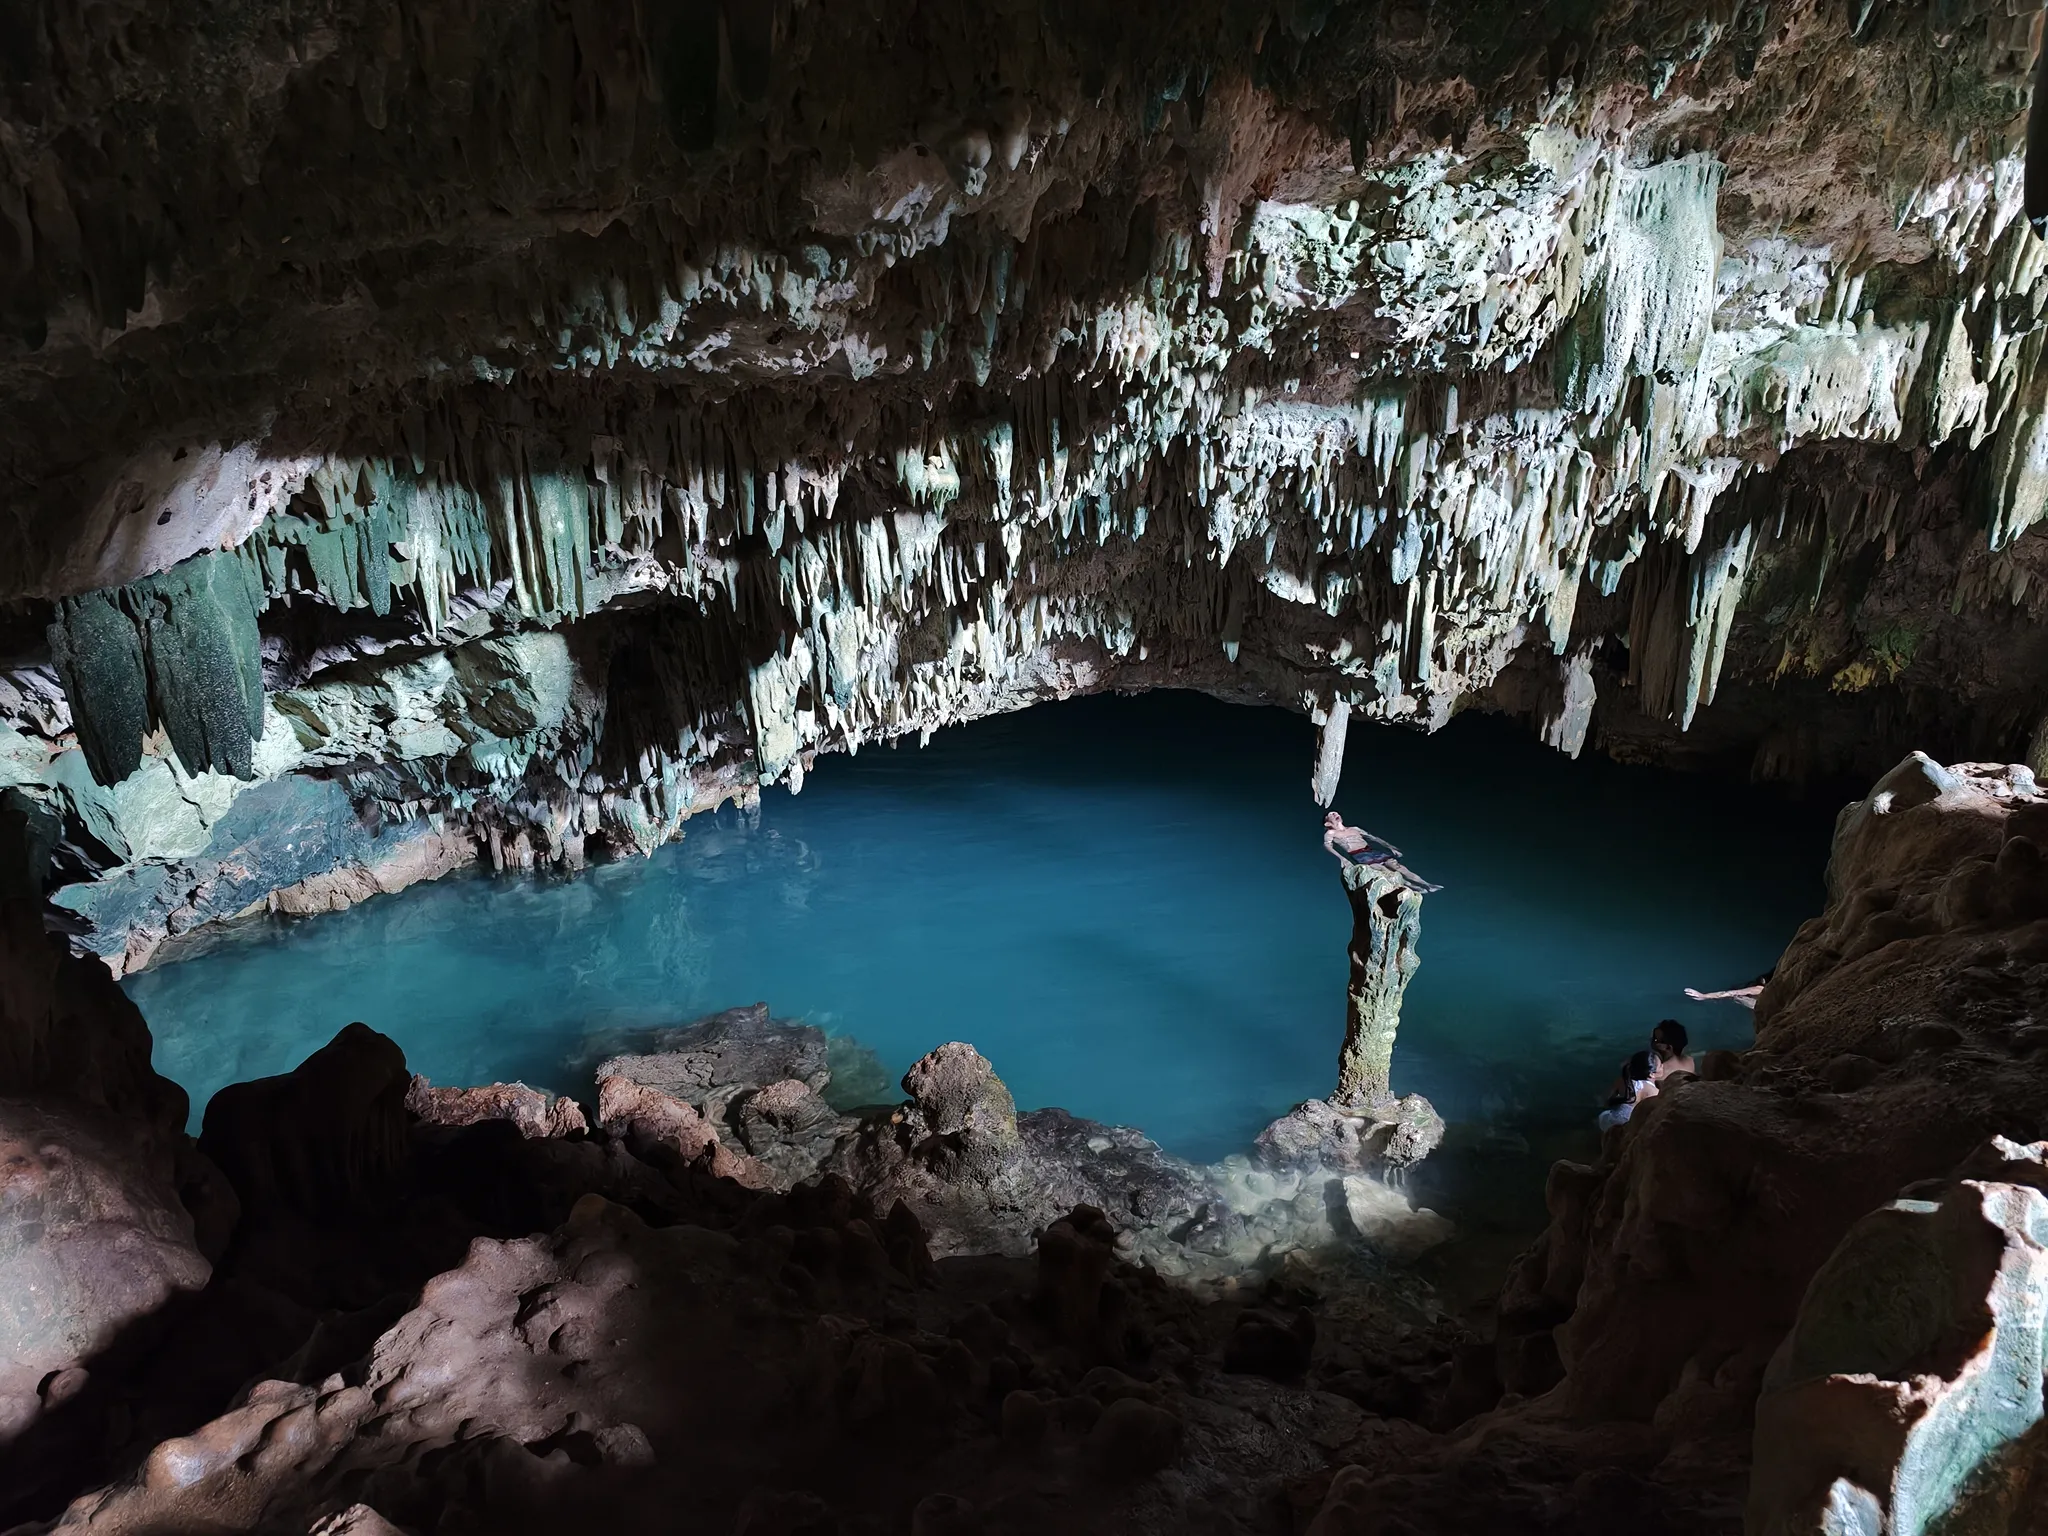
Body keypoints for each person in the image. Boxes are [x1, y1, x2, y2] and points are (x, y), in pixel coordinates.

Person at [1321, 812, 1445, 893]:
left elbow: (1373, 838)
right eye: (1331, 814)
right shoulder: (1331, 833)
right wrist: (1342, 859)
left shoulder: (1355, 829)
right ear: (1327, 823)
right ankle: (1411, 887)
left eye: (1335, 813)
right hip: (1359, 855)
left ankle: (1427, 885)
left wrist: (1390, 847)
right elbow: (1328, 846)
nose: (1334, 813)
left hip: (1371, 851)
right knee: (1387, 873)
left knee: (1400, 868)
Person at [1598, 1050, 1660, 1132]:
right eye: (1661, 1066)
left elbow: (1606, 1099)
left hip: (1612, 1123)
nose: (1663, 1066)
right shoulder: (1655, 1091)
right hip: (1632, 1127)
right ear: (1651, 1074)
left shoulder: (1624, 1081)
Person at [1683, 970, 1772, 1010]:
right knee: (1735, 995)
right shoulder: (1759, 990)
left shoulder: (1760, 1004)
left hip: (1759, 998)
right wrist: (1704, 996)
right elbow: (1730, 993)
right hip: (1755, 986)